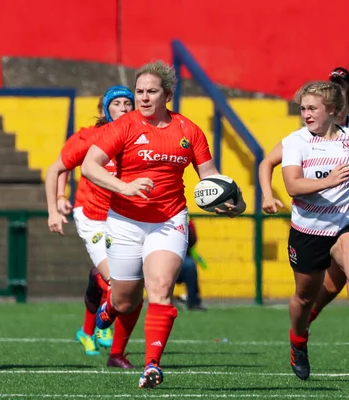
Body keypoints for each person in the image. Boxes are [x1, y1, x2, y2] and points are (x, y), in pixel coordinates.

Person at [81, 60, 246, 389]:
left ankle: (152, 365)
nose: (143, 98)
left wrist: (233, 203)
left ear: (167, 95)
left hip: (170, 221)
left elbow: (210, 177)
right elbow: (89, 166)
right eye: (139, 91)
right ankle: (108, 308)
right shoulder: (124, 126)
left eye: (151, 92)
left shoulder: (188, 131)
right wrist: (123, 187)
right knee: (126, 300)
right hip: (125, 221)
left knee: (160, 291)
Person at [259, 67, 349, 337]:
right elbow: (280, 174)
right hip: (313, 222)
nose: (308, 113)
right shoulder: (300, 139)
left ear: (340, 104)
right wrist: (268, 194)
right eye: (304, 108)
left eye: (341, 93)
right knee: (327, 286)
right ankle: (303, 326)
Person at [46, 85, 139, 368]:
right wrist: (56, 204)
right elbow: (58, 168)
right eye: (117, 103)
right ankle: (101, 322)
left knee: (133, 289)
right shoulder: (90, 137)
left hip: (126, 218)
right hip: (93, 216)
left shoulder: (141, 136)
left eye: (128, 103)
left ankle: (110, 346)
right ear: (105, 110)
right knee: (115, 281)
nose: (124, 108)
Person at [175, 217, 206, 310]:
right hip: (160, 256)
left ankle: (193, 302)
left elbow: (193, 240)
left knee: (190, 266)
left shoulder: (186, 218)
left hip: (182, 256)